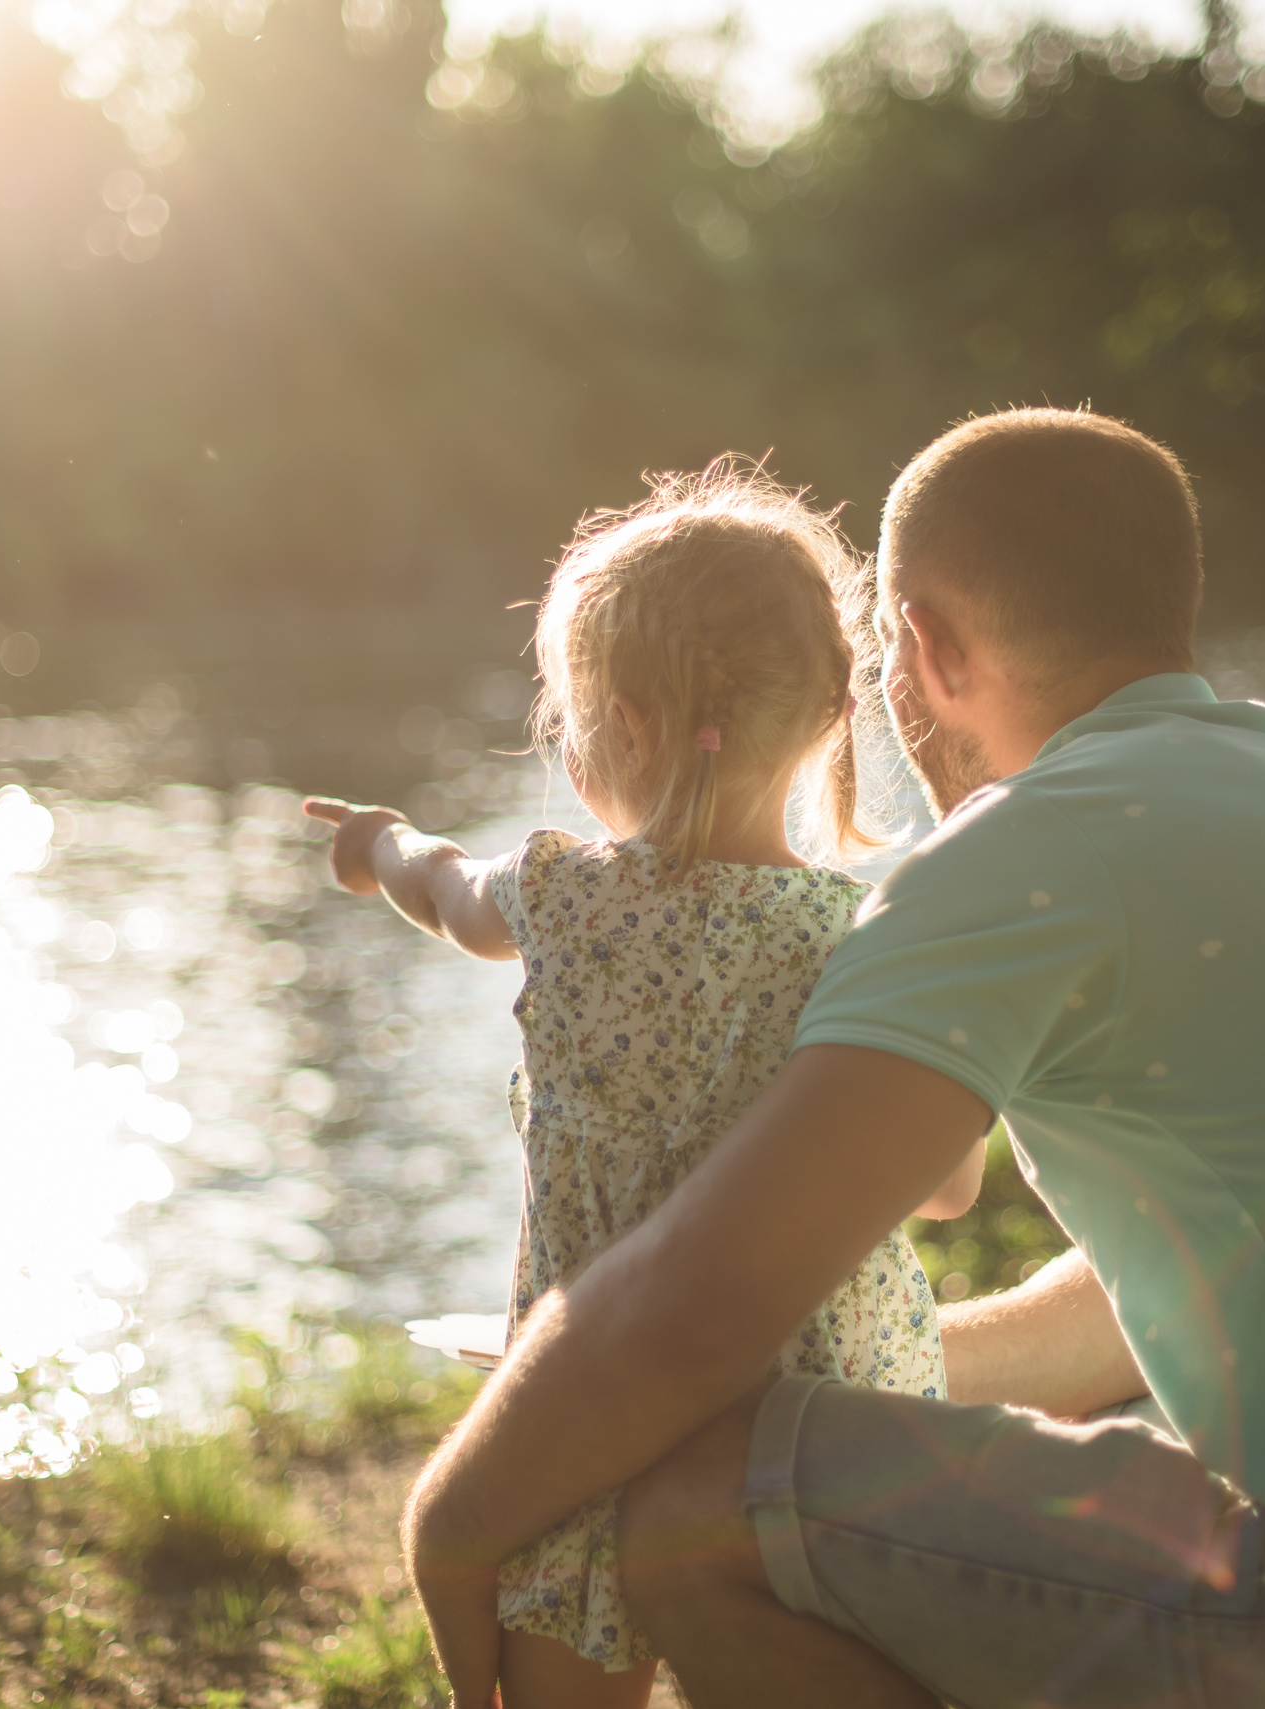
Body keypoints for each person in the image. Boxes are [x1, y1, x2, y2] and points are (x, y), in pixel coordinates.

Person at [396, 407, 1265, 1709]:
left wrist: (453, 1515)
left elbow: (698, 1303)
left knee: (698, 1507)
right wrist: (853, 1380)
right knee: (773, 1449)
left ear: (926, 648)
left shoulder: (1015, 856)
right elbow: (1180, 1290)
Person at [304, 462, 975, 1709]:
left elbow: (444, 888)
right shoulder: (863, 934)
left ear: (626, 724)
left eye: (566, 718)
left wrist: (373, 841)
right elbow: (942, 1189)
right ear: (833, 715)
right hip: (810, 1407)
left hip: (594, 1390)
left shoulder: (557, 893)